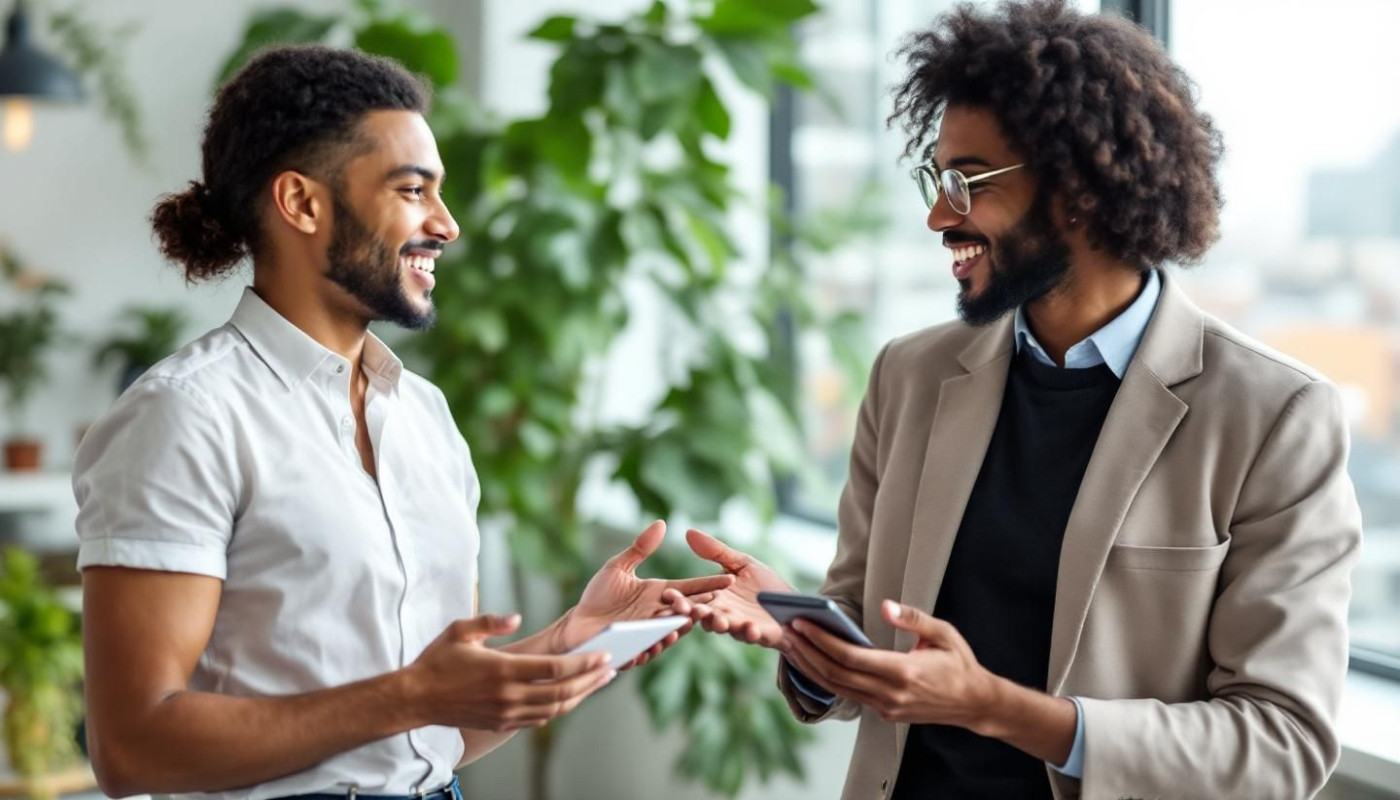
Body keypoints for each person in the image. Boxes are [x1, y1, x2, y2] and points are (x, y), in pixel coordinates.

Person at [666, 2, 1362, 798]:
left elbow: (1282, 743)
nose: (937, 215)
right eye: (936, 180)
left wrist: (1001, 709)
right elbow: (871, 636)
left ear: (1078, 189)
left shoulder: (1273, 417)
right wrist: (805, 638)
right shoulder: (909, 376)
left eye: (965, 183)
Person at [76, 45, 730, 800]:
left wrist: (569, 643)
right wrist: (413, 695)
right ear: (302, 203)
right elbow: (133, 750)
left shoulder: (424, 416)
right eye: (413, 190)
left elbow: (431, 739)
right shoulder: (185, 416)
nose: (446, 225)